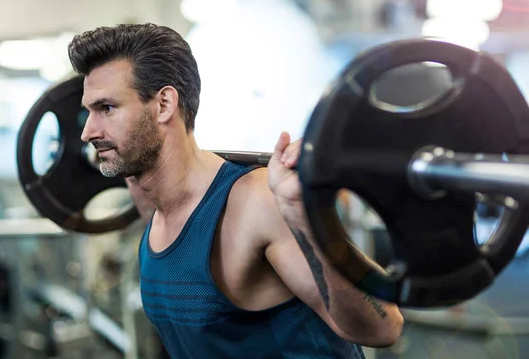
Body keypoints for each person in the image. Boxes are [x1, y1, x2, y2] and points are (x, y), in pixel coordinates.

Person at [70, 23, 403, 358]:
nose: (87, 132)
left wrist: (305, 220)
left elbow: (383, 327)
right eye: (89, 112)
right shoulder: (157, 210)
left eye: (107, 109)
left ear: (164, 105)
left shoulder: (256, 202)